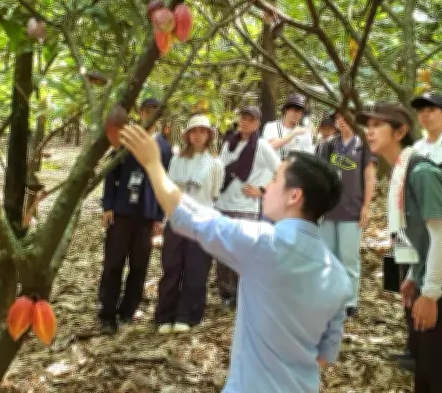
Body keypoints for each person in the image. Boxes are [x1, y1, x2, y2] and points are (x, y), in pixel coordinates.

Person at [118, 124, 352, 393]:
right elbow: (324, 357)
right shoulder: (338, 275)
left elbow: (186, 217)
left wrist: (152, 163)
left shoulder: (264, 245)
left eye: (274, 179)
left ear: (294, 196)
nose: (268, 186)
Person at [365, 102, 442, 393]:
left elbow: (440, 238)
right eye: (369, 125)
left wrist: (429, 292)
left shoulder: (421, 173)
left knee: (437, 370)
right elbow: (412, 230)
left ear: (400, 131)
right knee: (425, 365)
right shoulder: (403, 168)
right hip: (426, 267)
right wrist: (413, 275)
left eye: (378, 125)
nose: (369, 131)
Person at [98, 97, 173, 334]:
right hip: (122, 211)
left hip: (147, 214)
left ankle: (128, 310)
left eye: (155, 111)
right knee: (113, 263)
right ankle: (107, 314)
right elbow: (112, 172)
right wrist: (108, 205)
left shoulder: (164, 146)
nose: (151, 115)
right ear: (140, 113)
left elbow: (166, 181)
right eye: (147, 111)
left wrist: (159, 217)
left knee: (140, 265)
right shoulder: (127, 137)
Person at [156, 114, 224, 334]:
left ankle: (188, 314)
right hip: (176, 219)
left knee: (196, 269)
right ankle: (165, 314)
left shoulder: (215, 163)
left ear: (209, 136)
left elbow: (214, 194)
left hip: (202, 221)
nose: (197, 136)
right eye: (194, 131)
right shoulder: (177, 160)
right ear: (187, 135)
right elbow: (169, 188)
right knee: (171, 266)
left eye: (202, 131)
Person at [215, 106, 280, 307]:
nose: (245, 122)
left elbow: (282, 171)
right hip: (224, 204)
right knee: (223, 252)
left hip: (246, 207)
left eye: (250, 119)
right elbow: (220, 170)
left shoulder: (262, 146)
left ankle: (245, 293)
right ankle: (227, 293)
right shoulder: (229, 144)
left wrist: (263, 189)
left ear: (257, 123)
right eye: (243, 118)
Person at [317, 111, 377, 317]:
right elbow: (320, 175)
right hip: (329, 210)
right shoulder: (329, 145)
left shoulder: (362, 145)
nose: (341, 121)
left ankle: (350, 300)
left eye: (345, 117)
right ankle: (331, 296)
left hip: (352, 209)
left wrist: (366, 206)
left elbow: (370, 177)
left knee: (348, 258)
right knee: (329, 257)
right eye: (338, 118)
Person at [262, 93, 314, 159]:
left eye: (301, 111)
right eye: (295, 109)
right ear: (286, 110)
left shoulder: (305, 133)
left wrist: (279, 141)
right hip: (271, 168)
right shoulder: (271, 127)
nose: (298, 114)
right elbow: (268, 148)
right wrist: (293, 133)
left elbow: (308, 157)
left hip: (293, 168)